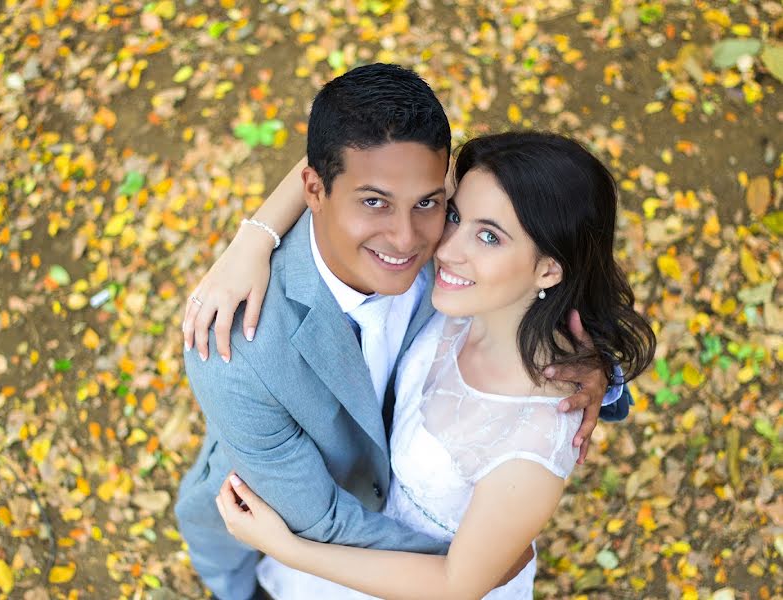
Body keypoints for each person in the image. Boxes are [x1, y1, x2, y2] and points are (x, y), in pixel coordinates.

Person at [175, 64, 629, 600]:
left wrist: (600, 370)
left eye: (433, 205)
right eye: (374, 203)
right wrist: (477, 566)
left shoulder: (454, 270)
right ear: (314, 190)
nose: (410, 240)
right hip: (330, 530)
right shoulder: (236, 352)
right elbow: (323, 522)